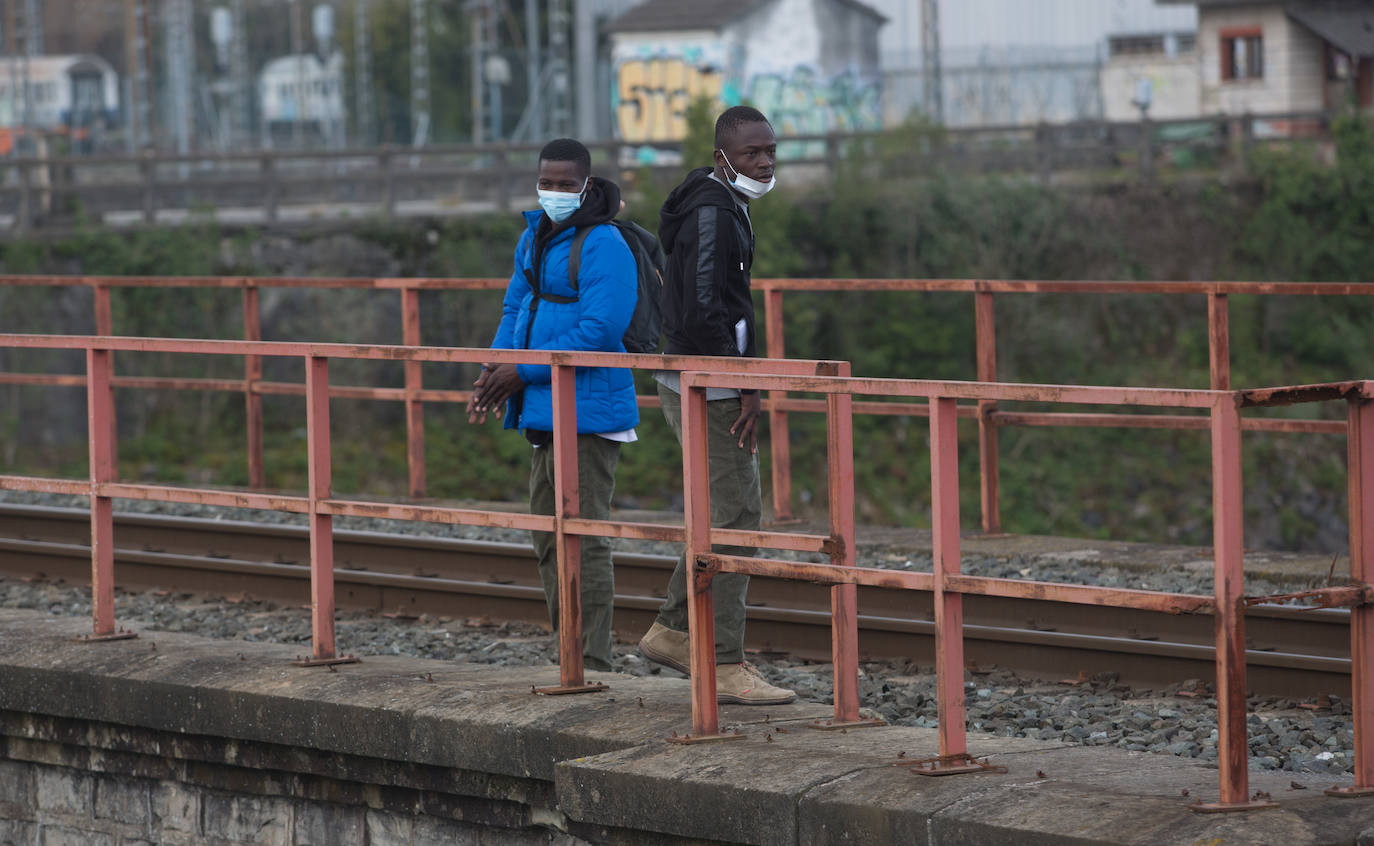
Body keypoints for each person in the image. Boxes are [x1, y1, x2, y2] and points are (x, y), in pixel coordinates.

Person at [637, 106, 795, 705]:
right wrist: (741, 378)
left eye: (770, 151)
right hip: (710, 380)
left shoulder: (721, 204)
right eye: (753, 153)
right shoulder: (713, 211)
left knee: (723, 515)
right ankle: (720, 659)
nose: (764, 162)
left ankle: (676, 631)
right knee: (734, 516)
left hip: (702, 374)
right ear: (722, 154)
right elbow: (704, 307)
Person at [466, 138, 639, 673]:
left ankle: (591, 658)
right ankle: (570, 647)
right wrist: (497, 366)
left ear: (586, 185)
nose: (556, 192)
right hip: (542, 406)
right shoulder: (535, 236)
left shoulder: (604, 243)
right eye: (548, 182)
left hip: (587, 411)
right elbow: (516, 303)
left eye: (567, 184)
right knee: (548, 535)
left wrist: (523, 370)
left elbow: (601, 329)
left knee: (582, 539)